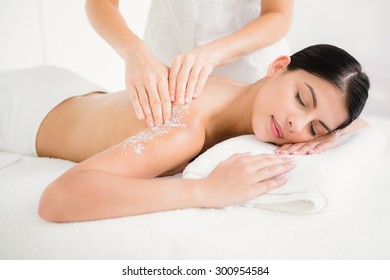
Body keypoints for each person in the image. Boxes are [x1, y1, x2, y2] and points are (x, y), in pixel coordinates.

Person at [0, 44, 368, 222]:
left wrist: (330, 135)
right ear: (277, 66)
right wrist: (206, 190)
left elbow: (361, 121)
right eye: (302, 100)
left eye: (314, 127)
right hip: (23, 108)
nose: (296, 126)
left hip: (77, 89)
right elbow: (58, 199)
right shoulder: (186, 130)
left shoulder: (246, 93)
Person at [85, 0, 293, 128]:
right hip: (164, 62)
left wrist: (212, 54)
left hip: (250, 66)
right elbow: (100, 3)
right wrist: (134, 53)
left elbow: (278, 14)